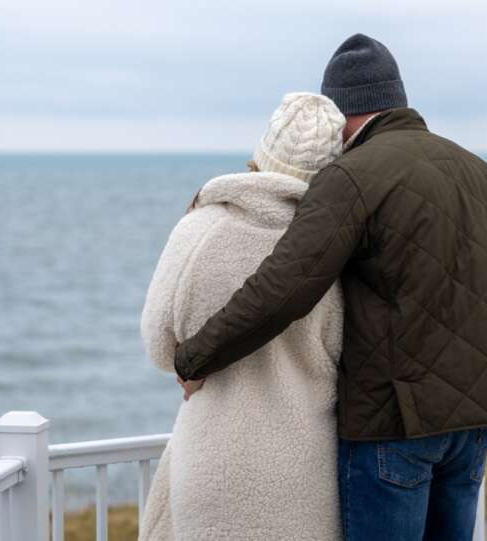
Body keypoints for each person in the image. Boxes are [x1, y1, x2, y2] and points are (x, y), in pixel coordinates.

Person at [174, 34, 487, 541]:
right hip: (474, 422)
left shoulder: (351, 176)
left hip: (396, 422)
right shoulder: (482, 173)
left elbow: (285, 287)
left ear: (341, 115)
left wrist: (196, 357)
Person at [138, 93, 347, 540]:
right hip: (304, 465)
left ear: (263, 152)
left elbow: (160, 348)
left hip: (211, 462)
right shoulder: (334, 249)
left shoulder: (200, 229)